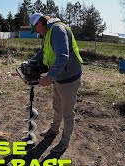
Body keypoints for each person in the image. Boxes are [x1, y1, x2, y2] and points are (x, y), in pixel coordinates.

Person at [29, 13, 83, 153]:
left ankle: (64, 142)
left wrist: (49, 77)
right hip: (59, 76)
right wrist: (30, 62)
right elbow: (43, 52)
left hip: (69, 77)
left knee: (67, 112)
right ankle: (54, 129)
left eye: (35, 28)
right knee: (57, 105)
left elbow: (63, 56)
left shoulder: (58, 30)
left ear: (40, 23)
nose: (36, 31)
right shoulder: (48, 32)